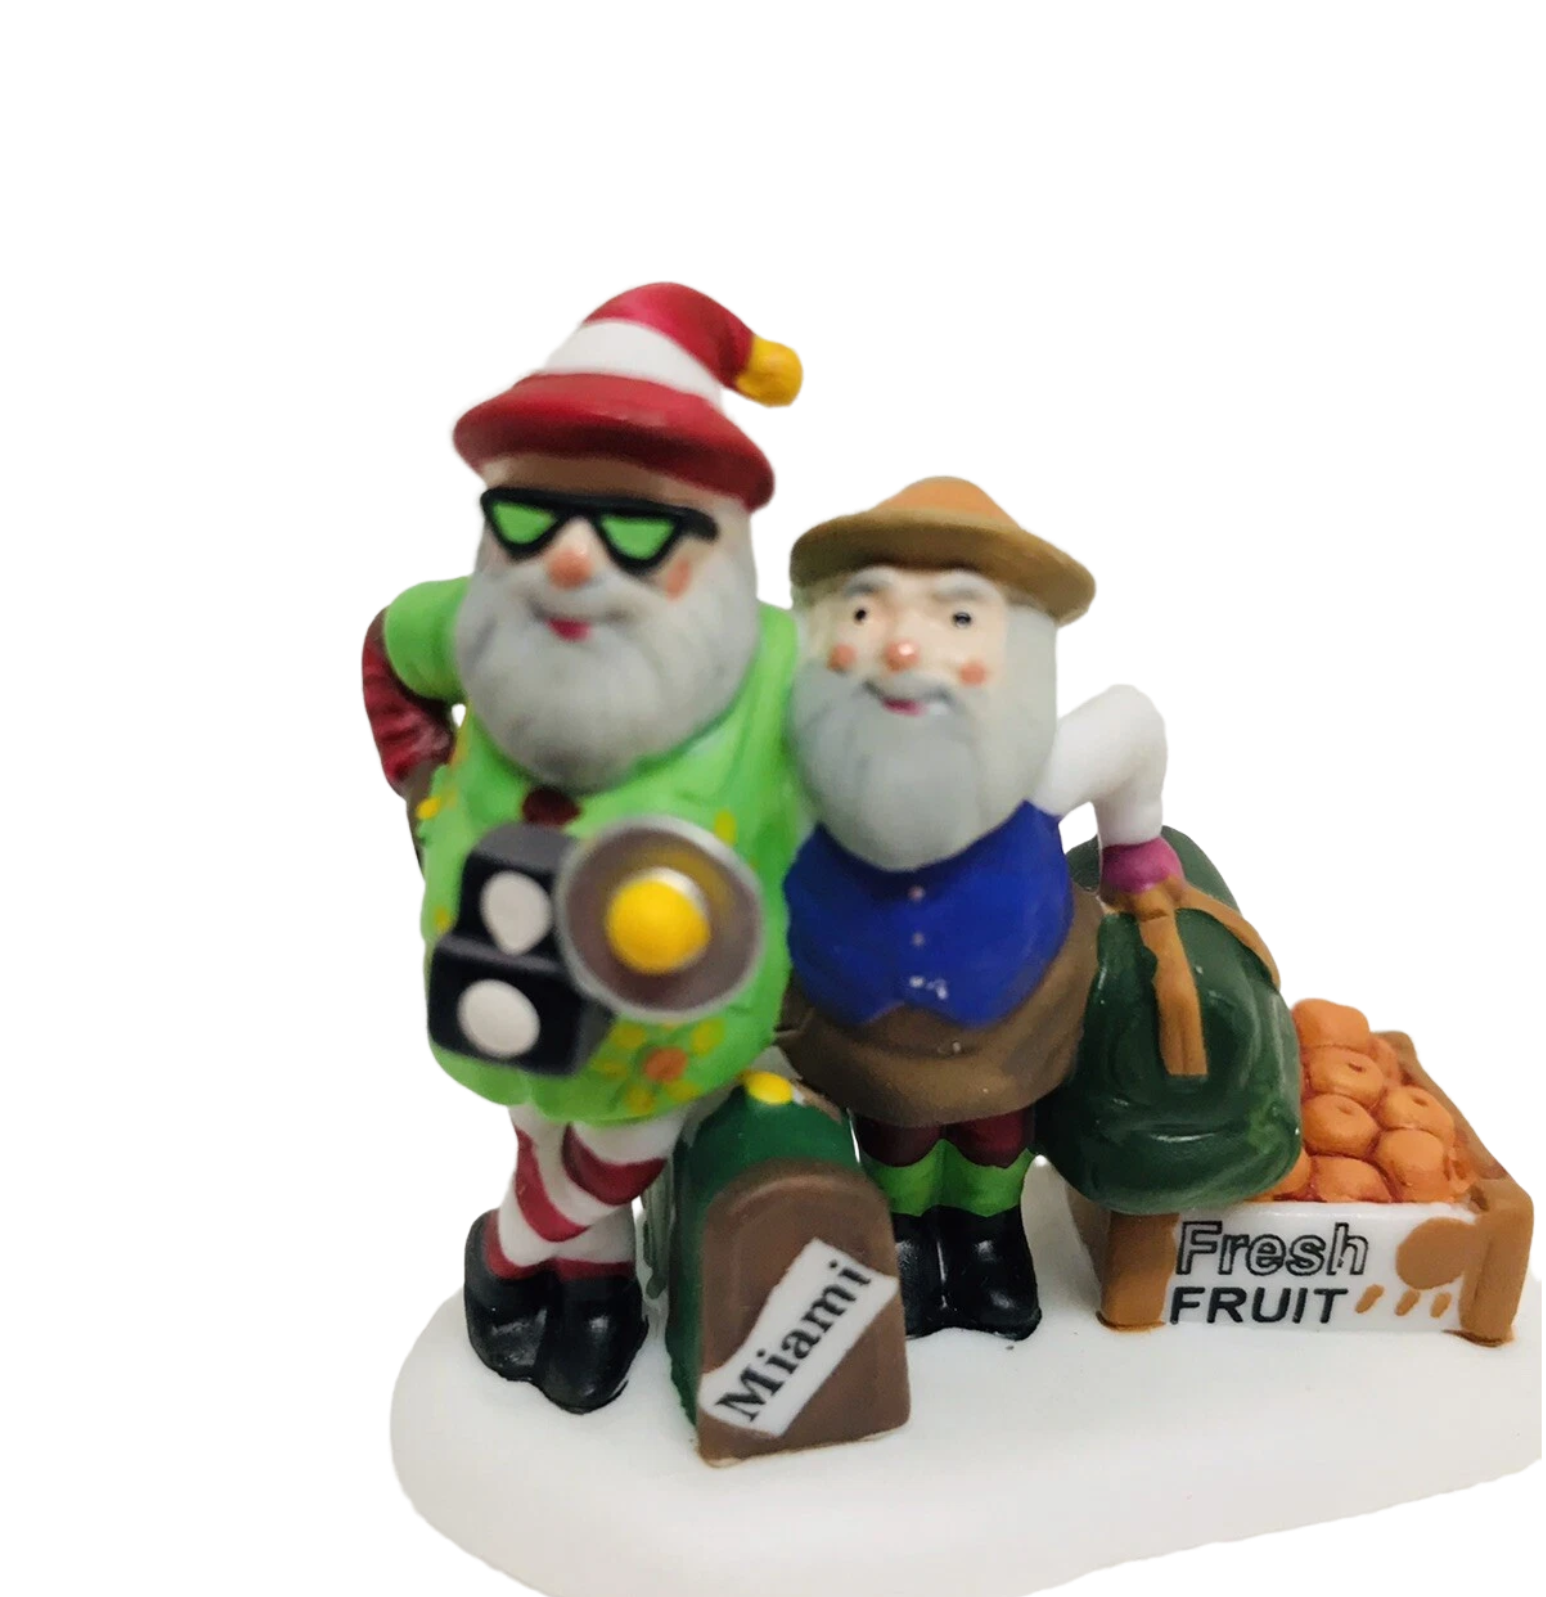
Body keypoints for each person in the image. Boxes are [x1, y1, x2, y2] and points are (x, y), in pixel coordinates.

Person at [362, 283, 812, 1412]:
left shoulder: (781, 664)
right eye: (529, 518)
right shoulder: (479, 622)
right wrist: (425, 792)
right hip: (490, 972)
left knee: (624, 1136)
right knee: (538, 1113)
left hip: (671, 1018)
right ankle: (592, 1269)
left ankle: (511, 1249)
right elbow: (388, 651)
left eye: (635, 526)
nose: (567, 562)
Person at [780, 478, 1181, 1338]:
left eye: (959, 618)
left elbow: (1132, 723)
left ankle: (988, 1231)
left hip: (1016, 1011)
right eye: (866, 613)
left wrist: (1136, 851)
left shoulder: (1039, 768)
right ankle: (901, 1232)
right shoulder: (806, 775)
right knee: (895, 1128)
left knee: (998, 1128)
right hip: (859, 1019)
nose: (901, 649)